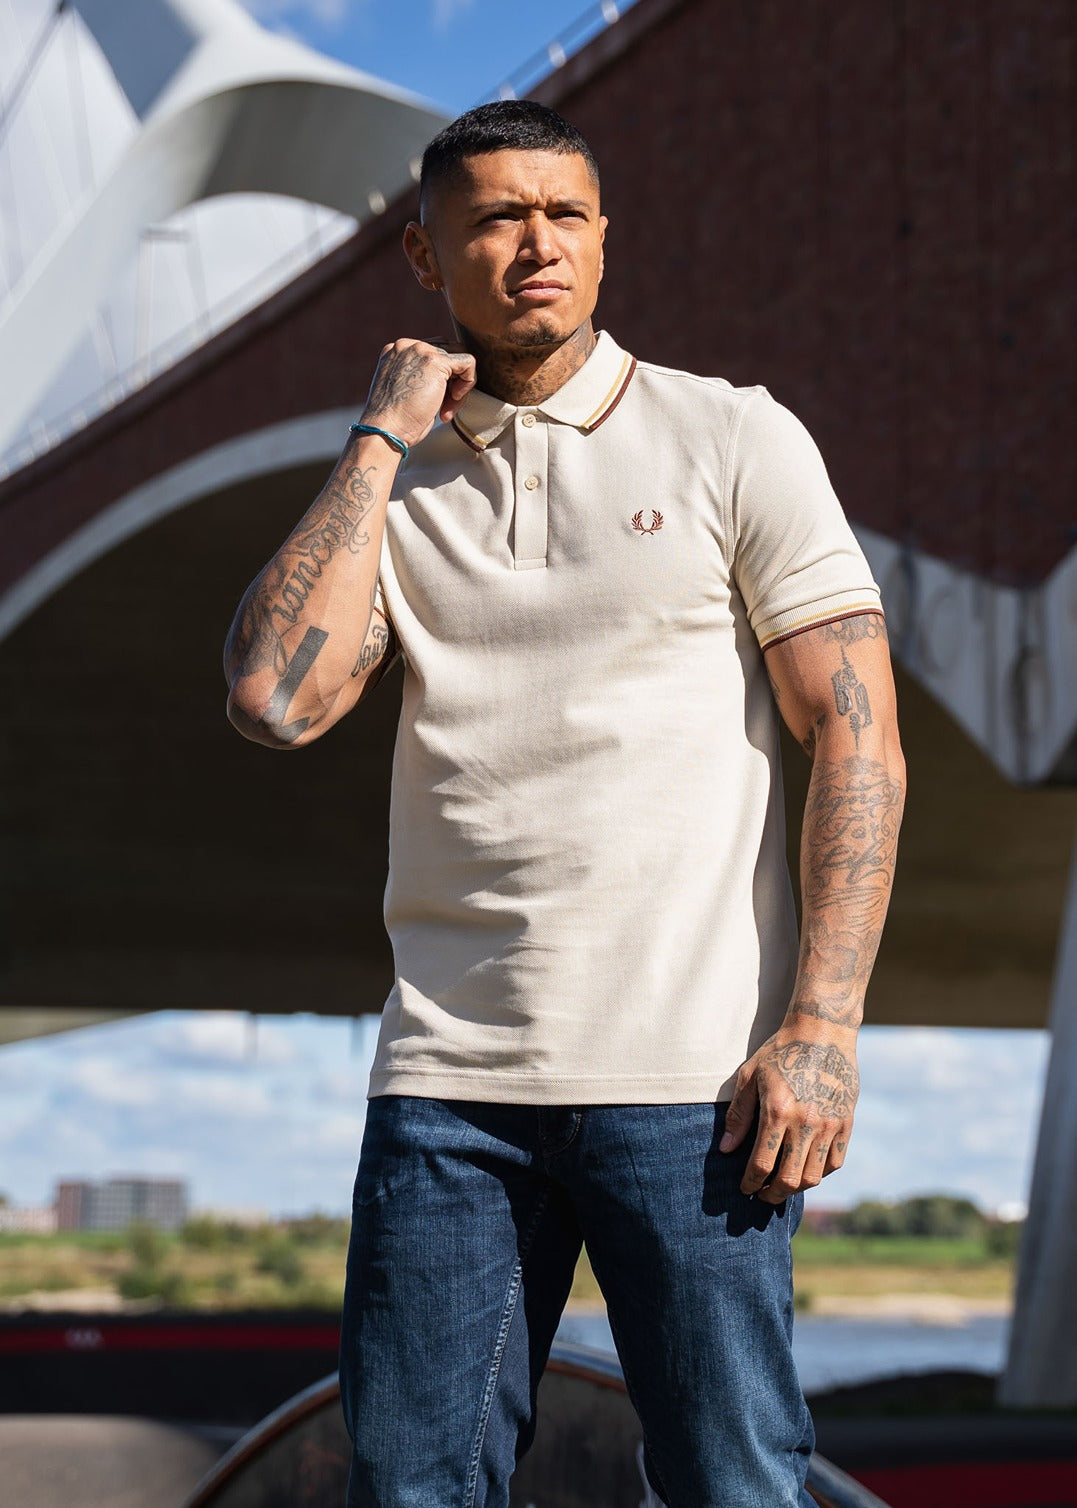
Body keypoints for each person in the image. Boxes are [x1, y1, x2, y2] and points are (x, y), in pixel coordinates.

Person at [224, 100, 905, 1508]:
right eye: (495, 217)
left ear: (603, 242)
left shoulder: (732, 436)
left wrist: (824, 1029)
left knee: (735, 1485)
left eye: (565, 216)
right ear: (426, 255)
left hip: (699, 1090)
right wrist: (377, 437)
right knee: (412, 1488)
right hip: (449, 1090)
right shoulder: (395, 485)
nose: (537, 244)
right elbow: (273, 700)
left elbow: (853, 733)